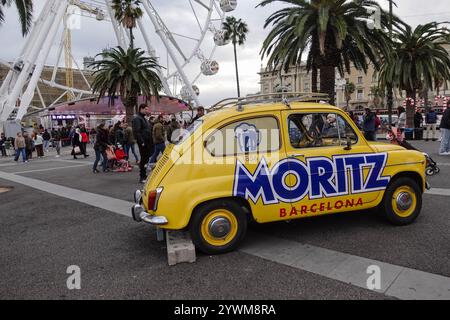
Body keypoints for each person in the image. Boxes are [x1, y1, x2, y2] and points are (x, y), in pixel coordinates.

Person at [132, 104, 154, 183]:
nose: (147, 111)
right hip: (143, 142)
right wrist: (142, 142)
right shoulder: (137, 119)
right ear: (141, 109)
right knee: (144, 159)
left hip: (148, 142)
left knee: (146, 159)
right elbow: (136, 132)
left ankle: (144, 175)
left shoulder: (143, 118)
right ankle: (142, 177)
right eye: (146, 109)